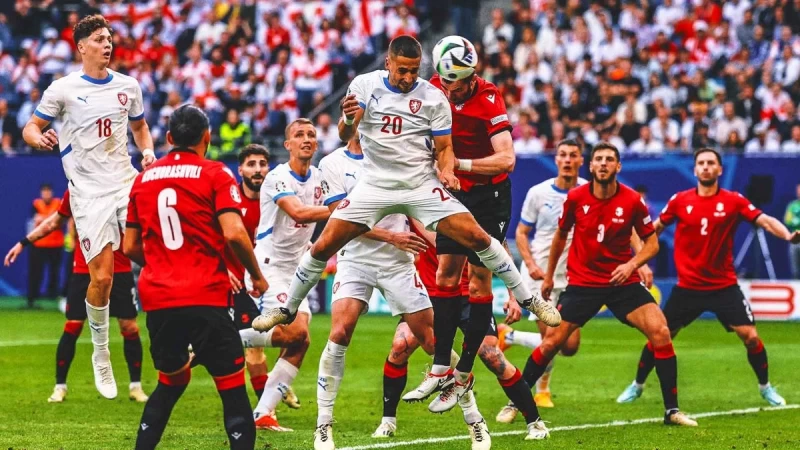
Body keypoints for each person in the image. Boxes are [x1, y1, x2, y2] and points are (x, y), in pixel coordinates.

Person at [252, 36, 559, 380]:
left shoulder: (432, 95)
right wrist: (349, 119)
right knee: (325, 245)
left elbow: (444, 147)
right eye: (402, 70)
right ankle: (285, 308)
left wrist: (446, 169)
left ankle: (529, 299)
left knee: (478, 236)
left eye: (414, 71)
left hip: (419, 185)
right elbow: (343, 132)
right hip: (375, 186)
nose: (408, 77)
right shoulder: (364, 85)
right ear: (388, 63)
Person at [22, 14, 156, 399]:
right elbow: (32, 127)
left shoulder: (129, 86)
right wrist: (38, 139)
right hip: (88, 193)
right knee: (102, 280)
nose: (108, 44)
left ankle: (190, 315)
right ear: (82, 46)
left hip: (125, 184)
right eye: (99, 39)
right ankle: (101, 351)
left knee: (153, 247)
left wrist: (146, 151)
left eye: (109, 38)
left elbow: (140, 127)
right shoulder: (62, 89)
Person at [522, 142, 698, 427]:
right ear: (591, 167)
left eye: (609, 160)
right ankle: (516, 400)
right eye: (598, 159)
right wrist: (550, 275)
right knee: (554, 341)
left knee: (661, 331)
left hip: (622, 282)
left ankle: (672, 411)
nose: (603, 164)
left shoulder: (632, 200)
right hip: (582, 284)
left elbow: (651, 243)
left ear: (618, 167)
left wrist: (633, 265)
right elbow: (559, 237)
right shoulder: (577, 198)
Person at [124, 105, 266, 449]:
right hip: (207, 294)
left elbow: (129, 246)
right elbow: (233, 233)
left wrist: (162, 262)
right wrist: (256, 275)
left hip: (159, 298)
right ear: (207, 137)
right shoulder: (215, 173)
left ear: (169, 138)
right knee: (231, 388)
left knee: (171, 381)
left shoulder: (143, 179)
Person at [616, 148, 800, 407]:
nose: (705, 167)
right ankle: (637, 385)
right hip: (687, 288)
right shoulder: (680, 201)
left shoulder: (734, 201)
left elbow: (765, 221)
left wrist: (788, 236)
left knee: (750, 336)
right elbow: (653, 230)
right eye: (701, 163)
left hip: (723, 286)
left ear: (719, 169)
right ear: (695, 170)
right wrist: (636, 255)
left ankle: (766, 387)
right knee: (660, 335)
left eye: (711, 163)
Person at [407, 35, 523, 413]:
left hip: (489, 197)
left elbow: (506, 160)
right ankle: (442, 366)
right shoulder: (435, 90)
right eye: (446, 80)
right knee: (444, 275)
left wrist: (460, 165)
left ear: (473, 75)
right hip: (455, 195)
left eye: (458, 81)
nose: (451, 88)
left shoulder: (488, 99)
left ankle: (464, 372)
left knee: (478, 281)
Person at [312, 131, 436, 449]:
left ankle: (472, 416)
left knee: (433, 341)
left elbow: (413, 212)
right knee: (339, 332)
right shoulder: (332, 163)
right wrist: (393, 236)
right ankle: (323, 425)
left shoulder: (395, 158)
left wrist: (441, 242)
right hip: (355, 260)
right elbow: (343, 217)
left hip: (398, 264)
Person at [395, 222, 550, 444]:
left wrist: (513, 295)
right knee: (401, 345)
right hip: (430, 296)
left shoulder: (470, 208)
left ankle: (535, 423)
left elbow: (499, 247)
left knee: (491, 356)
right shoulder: (417, 200)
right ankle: (388, 420)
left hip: (472, 295)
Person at [4, 189, 148, 404]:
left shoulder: (122, 186)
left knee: (129, 327)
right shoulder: (77, 189)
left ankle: (135, 386)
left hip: (121, 272)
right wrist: (23, 242)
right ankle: (60, 386)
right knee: (73, 326)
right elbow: (54, 222)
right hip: (84, 271)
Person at [238, 118, 330, 431]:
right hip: (270, 263)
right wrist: (347, 207)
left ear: (316, 144)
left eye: (311, 135)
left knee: (301, 340)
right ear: (288, 144)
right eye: (299, 135)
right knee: (292, 334)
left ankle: (263, 413)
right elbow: (298, 212)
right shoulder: (277, 177)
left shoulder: (321, 179)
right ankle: (222, 341)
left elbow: (340, 220)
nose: (306, 139)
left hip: (298, 268)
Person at [496, 139, 587, 417]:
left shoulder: (587, 192)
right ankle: (540, 392)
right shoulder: (538, 193)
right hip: (539, 277)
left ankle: (509, 336)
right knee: (551, 340)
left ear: (581, 160)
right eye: (563, 155)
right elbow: (522, 232)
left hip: (572, 278)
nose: (568, 159)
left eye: (573, 155)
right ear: (556, 159)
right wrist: (532, 264)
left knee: (568, 347)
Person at [223, 144, 271, 403]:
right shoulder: (230, 202)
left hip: (261, 281)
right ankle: (265, 409)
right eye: (251, 164)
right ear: (240, 169)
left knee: (261, 342)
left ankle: (267, 404)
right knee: (255, 343)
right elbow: (213, 237)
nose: (258, 170)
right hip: (232, 284)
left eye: (262, 164)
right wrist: (223, 270)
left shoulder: (274, 201)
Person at [27, 183, 64, 309]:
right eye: (44, 191)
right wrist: (51, 219)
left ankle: (53, 297)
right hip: (39, 244)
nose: (46, 194)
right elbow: (36, 219)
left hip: (55, 244)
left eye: (48, 191)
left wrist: (45, 219)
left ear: (52, 192)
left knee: (55, 272)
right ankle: (32, 299)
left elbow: (60, 221)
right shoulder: (36, 204)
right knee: (35, 273)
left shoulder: (59, 203)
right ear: (41, 193)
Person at [785, 183, 800, 278]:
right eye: (798, 191)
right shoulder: (792, 206)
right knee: (795, 268)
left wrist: (796, 220)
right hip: (795, 239)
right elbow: (788, 220)